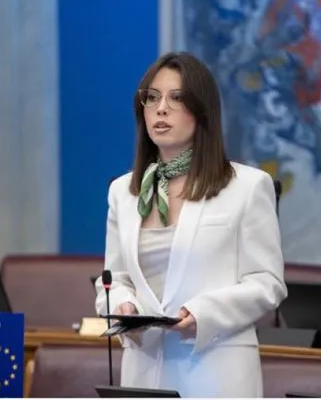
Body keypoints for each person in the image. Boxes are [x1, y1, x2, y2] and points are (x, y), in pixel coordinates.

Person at [94, 52, 286, 398]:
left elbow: (267, 283)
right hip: (144, 370)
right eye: (152, 98)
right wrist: (122, 305)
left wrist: (205, 313)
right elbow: (115, 280)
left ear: (201, 110)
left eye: (176, 98)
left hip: (215, 371)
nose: (161, 109)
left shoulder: (247, 186)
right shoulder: (123, 191)